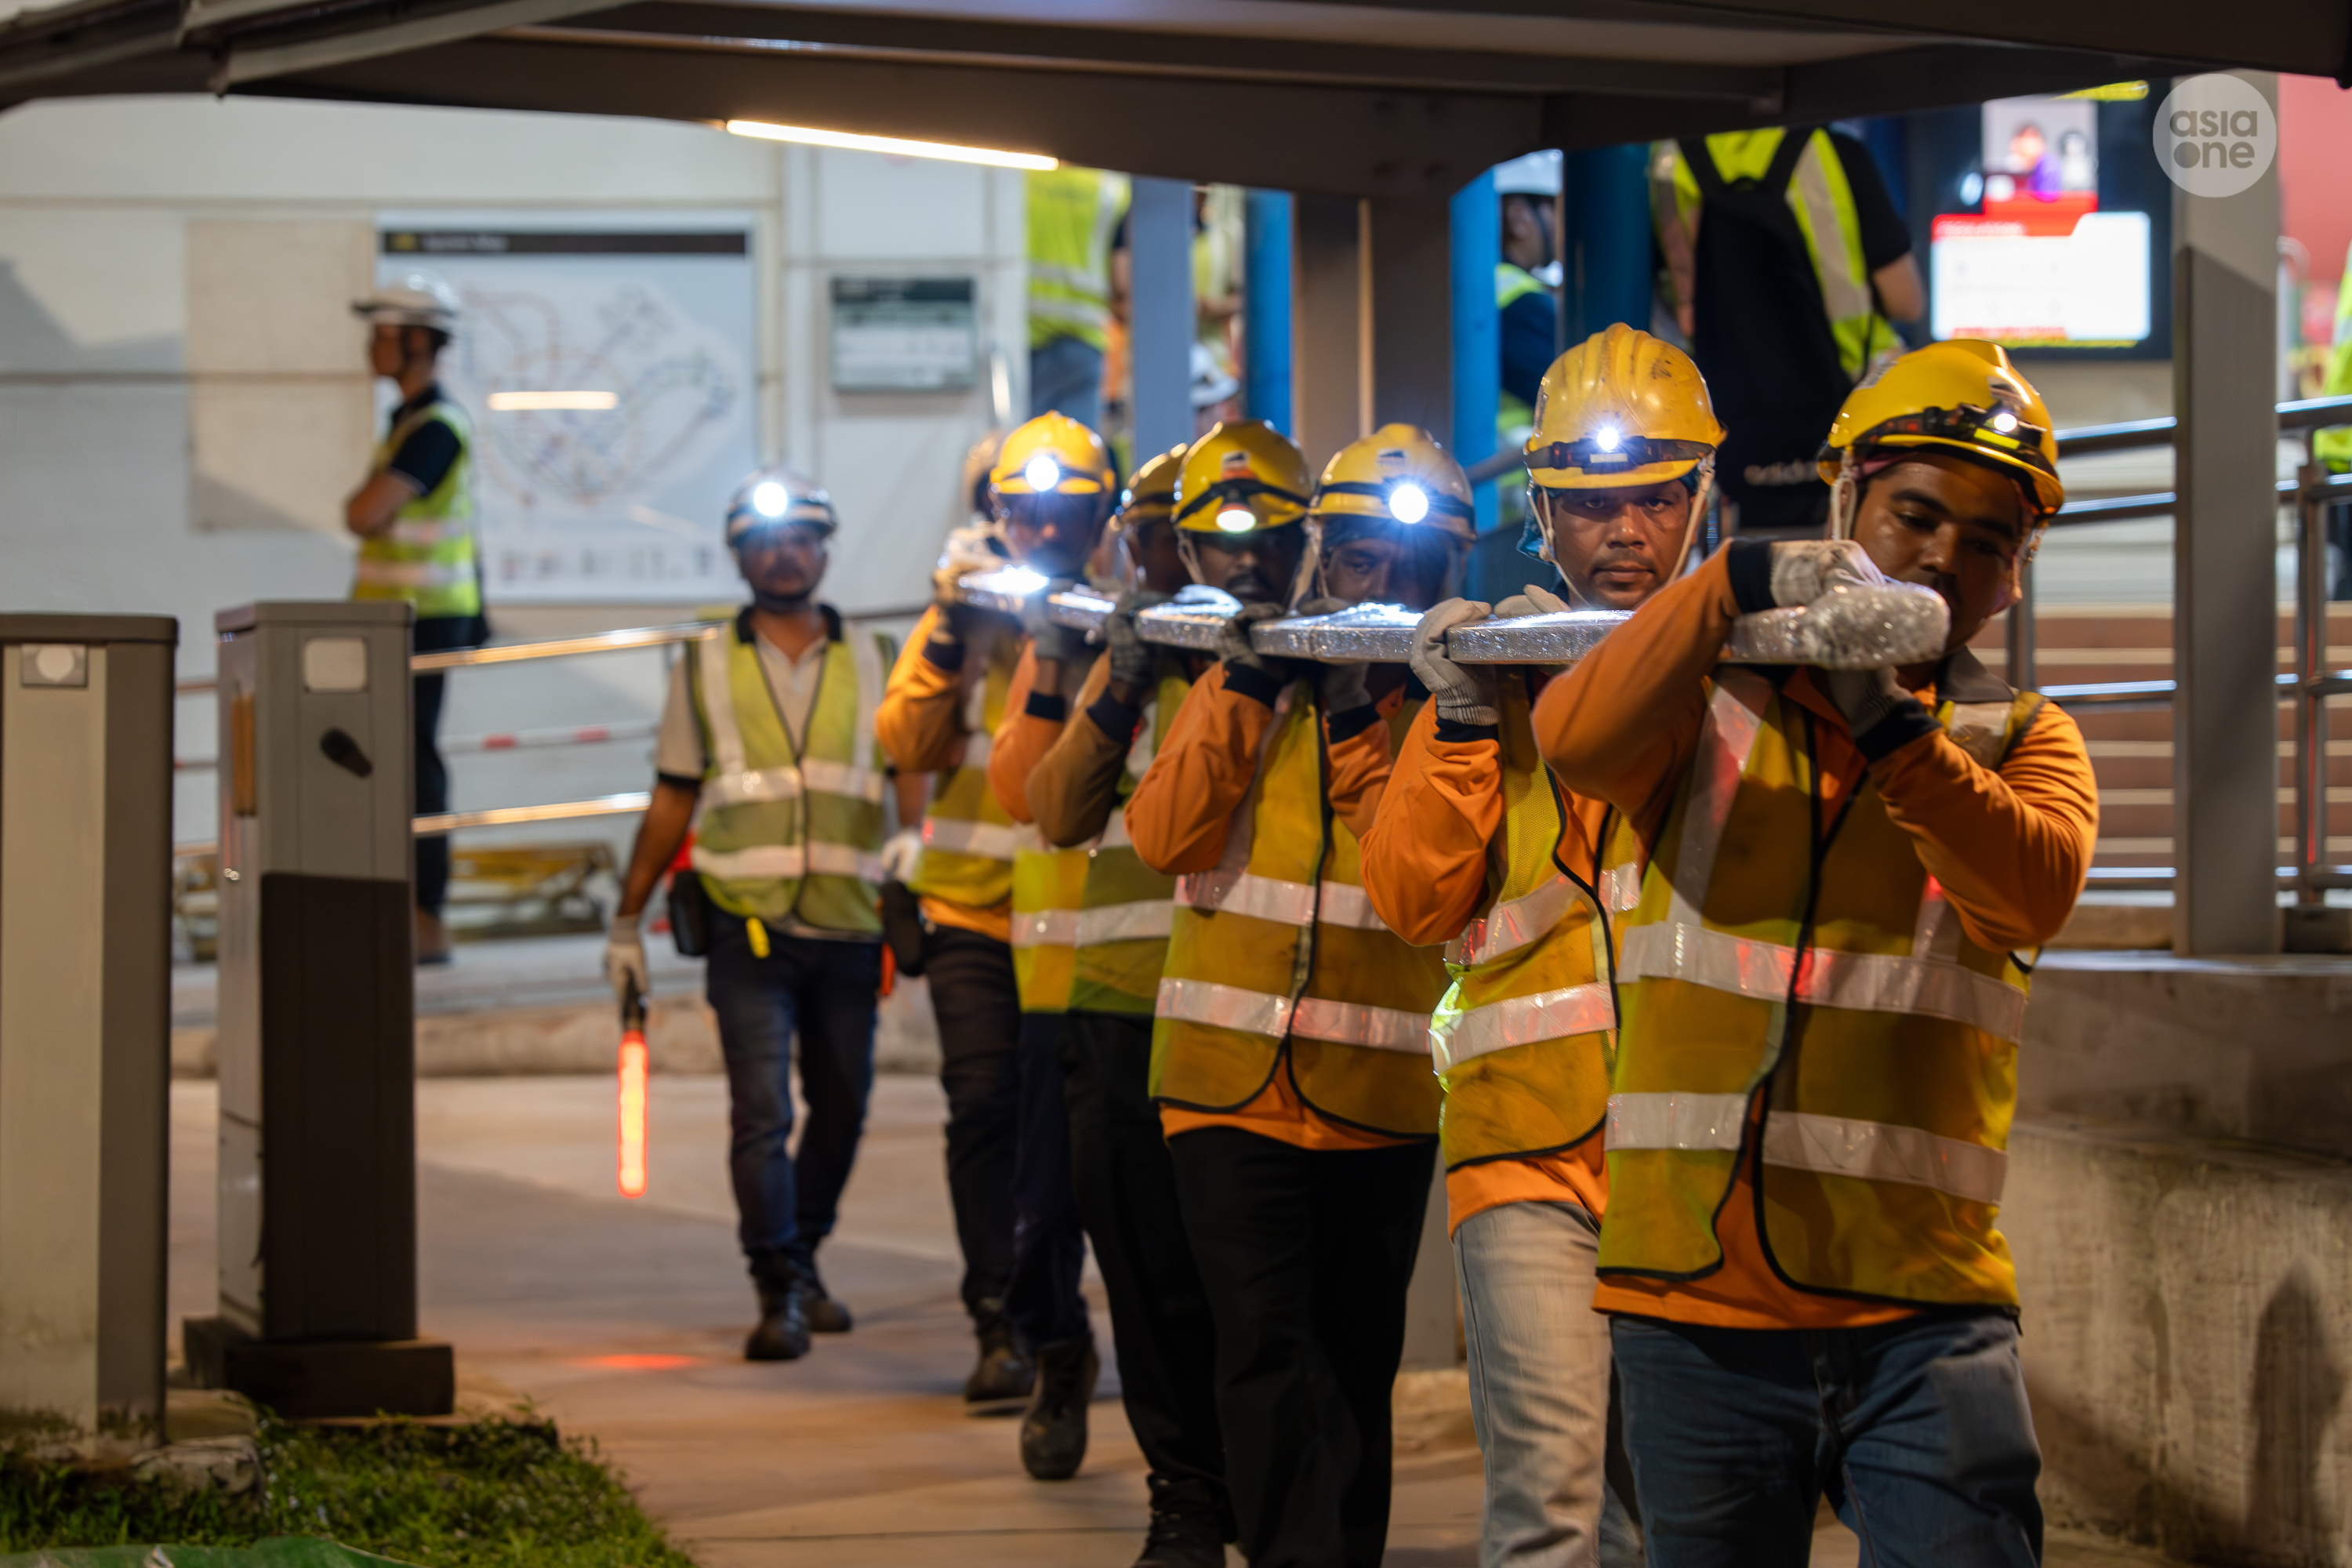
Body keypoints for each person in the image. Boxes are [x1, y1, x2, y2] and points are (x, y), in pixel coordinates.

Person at [1535, 339, 2099, 1566]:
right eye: (1914, 514)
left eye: (1991, 538)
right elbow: (1573, 736)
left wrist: (1890, 728)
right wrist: (1733, 580)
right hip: (1696, 1302)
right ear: (1845, 504)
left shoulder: (2024, 739)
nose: (1947, 554)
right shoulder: (1711, 699)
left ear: (2017, 573)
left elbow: (2031, 889)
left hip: (1927, 1314)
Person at [1360, 324, 1722, 1568]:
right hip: (1525, 1149)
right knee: (1554, 1511)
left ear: (1700, 503)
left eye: (1655, 500)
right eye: (1590, 507)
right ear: (1544, 518)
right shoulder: (1493, 679)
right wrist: (1463, 720)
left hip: (1699, 1154)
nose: (1625, 531)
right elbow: (1412, 897)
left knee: (1683, 1523)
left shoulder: (1752, 679)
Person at [1127, 421, 1472, 1568]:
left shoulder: (1458, 712)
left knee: (1353, 1361)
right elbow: (1165, 833)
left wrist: (1361, 714)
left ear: (1445, 574)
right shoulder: (1248, 674)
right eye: (1358, 556)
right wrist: (1252, 678)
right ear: (1322, 557)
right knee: (1264, 1348)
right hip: (1223, 1084)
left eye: (1405, 562)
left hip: (1376, 1090)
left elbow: (1425, 885)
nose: (1379, 581)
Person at [600, 466, 895, 1363]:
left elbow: (911, 772)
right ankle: (777, 1284)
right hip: (745, 923)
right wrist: (627, 919)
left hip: (850, 920)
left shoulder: (879, 657)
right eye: (765, 540)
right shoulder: (702, 662)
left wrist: (918, 851)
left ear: (825, 549)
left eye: (801, 536)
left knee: (842, 1104)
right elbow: (672, 795)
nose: (784, 552)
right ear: (739, 555)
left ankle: (801, 1252)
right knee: (760, 1111)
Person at [1012, 444, 1232, 1565]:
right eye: (1147, 532)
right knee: (1144, 1281)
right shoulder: (1130, 654)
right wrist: (1121, 677)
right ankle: (1184, 1500)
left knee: (1240, 1291)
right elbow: (1053, 809)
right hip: (1115, 1008)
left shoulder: (1270, 655)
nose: (1162, 553)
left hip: (1235, 1019)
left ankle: (1254, 1493)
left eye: (1181, 531)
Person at [966, 412, 1120, 1480]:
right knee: (1040, 1217)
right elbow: (1019, 785)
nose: (1045, 534)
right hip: (1042, 969)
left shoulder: (1154, 623)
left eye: (1068, 513)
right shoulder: (1003, 625)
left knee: (1143, 1223)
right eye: (1026, 515)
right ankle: (1056, 1348)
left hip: (1150, 979)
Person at [1650, 128, 1923, 538]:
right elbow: (1907, 301)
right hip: (1848, 420)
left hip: (1725, 439)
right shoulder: (1837, 154)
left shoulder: (1664, 164)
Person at [346, 274, 483, 965]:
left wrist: (359, 504)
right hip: (396, 618)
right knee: (394, 762)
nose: (372, 347)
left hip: (424, 618)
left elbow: (364, 512)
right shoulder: (406, 422)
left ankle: (426, 915)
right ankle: (406, 908)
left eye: (384, 335)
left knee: (415, 763)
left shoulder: (435, 428)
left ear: (418, 342)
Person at [1028, 167, 1131, 430]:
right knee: (1078, 446)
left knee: (1025, 444)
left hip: (1029, 332)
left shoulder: (1024, 179)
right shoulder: (1111, 189)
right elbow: (1122, 278)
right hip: (1083, 335)